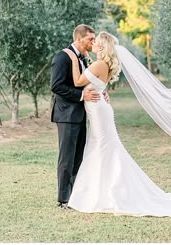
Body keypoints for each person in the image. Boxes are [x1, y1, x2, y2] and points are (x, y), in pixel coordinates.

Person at [63, 31, 171, 217]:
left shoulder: (98, 64)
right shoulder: (103, 64)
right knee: (103, 147)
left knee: (103, 147)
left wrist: (73, 59)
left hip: (98, 111)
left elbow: (78, 81)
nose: (93, 43)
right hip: (99, 109)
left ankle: (102, 194)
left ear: (102, 46)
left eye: (96, 41)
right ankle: (99, 192)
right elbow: (97, 86)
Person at [50, 24, 110, 209]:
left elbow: (85, 82)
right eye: (90, 39)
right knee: (67, 158)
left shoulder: (84, 57)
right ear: (79, 39)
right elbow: (56, 86)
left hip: (82, 114)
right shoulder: (63, 57)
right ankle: (63, 199)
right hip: (67, 115)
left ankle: (75, 195)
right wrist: (81, 95)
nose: (93, 42)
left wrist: (100, 91)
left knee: (79, 157)